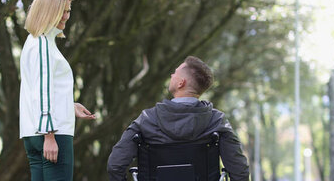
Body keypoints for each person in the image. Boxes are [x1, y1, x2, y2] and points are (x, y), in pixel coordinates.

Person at [107, 56, 250, 181]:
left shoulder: (146, 119)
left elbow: (115, 165)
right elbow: (240, 171)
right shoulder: (217, 121)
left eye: (175, 73)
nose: (171, 75)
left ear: (181, 83)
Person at [20, 0, 96, 181]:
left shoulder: (33, 41)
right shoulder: (43, 44)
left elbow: (40, 89)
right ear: (47, 11)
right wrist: (50, 136)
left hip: (33, 134)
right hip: (53, 135)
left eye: (68, 10)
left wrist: (69, 106)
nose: (66, 16)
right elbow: (42, 91)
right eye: (61, 11)